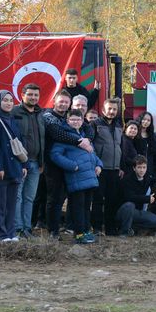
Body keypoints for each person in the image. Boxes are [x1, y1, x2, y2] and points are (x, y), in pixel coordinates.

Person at [43, 90, 94, 239]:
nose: (64, 104)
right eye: (61, 101)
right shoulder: (48, 116)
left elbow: (89, 128)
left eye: (66, 102)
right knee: (55, 199)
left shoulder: (69, 117)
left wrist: (88, 140)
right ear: (54, 101)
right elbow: (58, 134)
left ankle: (75, 228)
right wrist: (80, 141)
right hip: (54, 164)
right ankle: (53, 230)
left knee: (75, 199)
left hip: (72, 165)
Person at [50, 109, 101, 244]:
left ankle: (86, 230)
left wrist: (98, 165)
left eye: (78, 119)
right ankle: (79, 233)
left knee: (86, 206)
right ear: (67, 121)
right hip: (76, 178)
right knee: (77, 207)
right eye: (72, 119)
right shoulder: (65, 136)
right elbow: (55, 155)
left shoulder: (85, 136)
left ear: (82, 121)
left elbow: (93, 154)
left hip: (90, 177)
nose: (75, 122)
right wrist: (72, 166)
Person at [0, 90, 27, 242]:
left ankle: (10, 233)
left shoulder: (12, 119)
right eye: (5, 100)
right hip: (1, 168)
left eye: (10, 100)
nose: (8, 103)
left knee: (11, 204)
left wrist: (23, 164)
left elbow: (20, 143)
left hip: (14, 167)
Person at [11, 83, 45, 239]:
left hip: (36, 163)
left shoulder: (41, 114)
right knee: (17, 197)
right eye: (30, 94)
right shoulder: (14, 112)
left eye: (36, 95)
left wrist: (42, 162)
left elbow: (42, 139)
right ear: (23, 95)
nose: (33, 97)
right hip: (19, 162)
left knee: (29, 198)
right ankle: (17, 229)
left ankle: (27, 229)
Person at [92, 99, 124, 235]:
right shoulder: (95, 124)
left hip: (115, 169)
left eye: (114, 109)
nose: (111, 112)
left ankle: (110, 228)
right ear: (103, 110)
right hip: (100, 169)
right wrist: (95, 164)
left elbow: (121, 147)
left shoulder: (119, 125)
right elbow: (91, 146)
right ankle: (97, 228)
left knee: (112, 200)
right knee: (98, 200)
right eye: (109, 109)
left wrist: (121, 166)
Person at [115, 155, 156, 236]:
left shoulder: (147, 178)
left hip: (138, 213)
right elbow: (129, 197)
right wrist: (147, 199)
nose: (142, 170)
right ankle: (124, 232)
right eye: (139, 167)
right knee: (129, 205)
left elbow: (154, 178)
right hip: (123, 211)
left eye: (144, 167)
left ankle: (133, 228)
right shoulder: (127, 180)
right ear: (134, 168)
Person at [135, 111, 156, 177]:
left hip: (149, 168)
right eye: (144, 119)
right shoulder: (134, 133)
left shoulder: (152, 136)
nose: (146, 122)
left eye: (148, 120)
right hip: (136, 168)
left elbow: (155, 154)